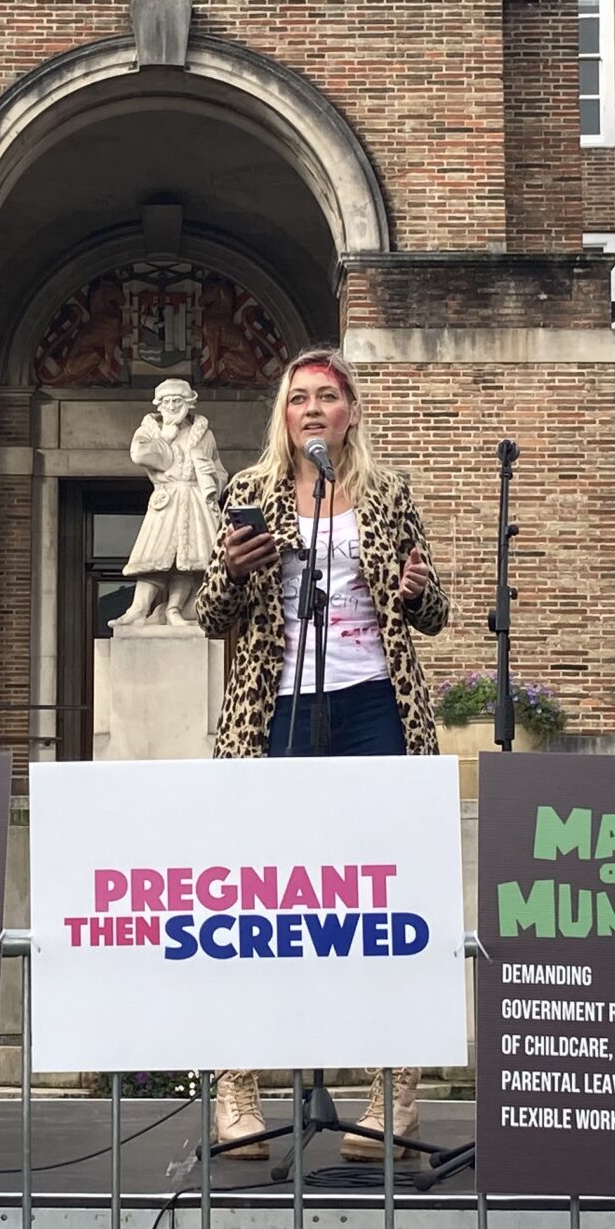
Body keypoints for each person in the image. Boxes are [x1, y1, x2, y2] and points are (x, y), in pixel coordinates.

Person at [194, 347, 448, 1160]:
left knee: (383, 897)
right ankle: (238, 1093)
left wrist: (416, 593)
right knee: (262, 893)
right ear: (283, 413)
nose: (312, 409)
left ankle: (391, 1100)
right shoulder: (249, 493)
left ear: (350, 412)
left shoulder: (386, 494)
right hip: (278, 708)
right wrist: (233, 573)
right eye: (298, 397)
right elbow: (210, 612)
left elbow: (433, 608)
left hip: (376, 706)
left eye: (327, 397)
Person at [120, 378, 228, 626]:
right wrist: (165, 438)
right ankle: (138, 609)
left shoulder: (204, 434)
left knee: (189, 560)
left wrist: (212, 473)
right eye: (166, 402)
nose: (171, 406)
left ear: (189, 403)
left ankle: (174, 609)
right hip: (166, 499)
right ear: (158, 405)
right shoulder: (150, 430)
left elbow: (221, 472)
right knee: (153, 556)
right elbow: (139, 454)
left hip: (195, 498)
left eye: (177, 401)